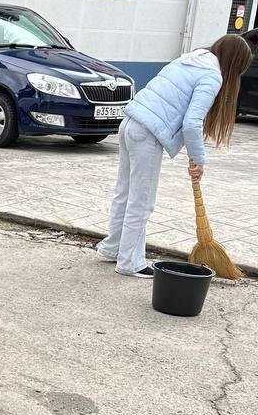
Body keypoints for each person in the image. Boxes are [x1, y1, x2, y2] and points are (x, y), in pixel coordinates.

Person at [96, 34, 252, 276]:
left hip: (130, 123)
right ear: (234, 64)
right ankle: (130, 262)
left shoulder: (189, 59)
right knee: (142, 201)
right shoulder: (212, 76)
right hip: (147, 133)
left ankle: (112, 248)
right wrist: (199, 160)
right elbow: (191, 123)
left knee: (124, 193)